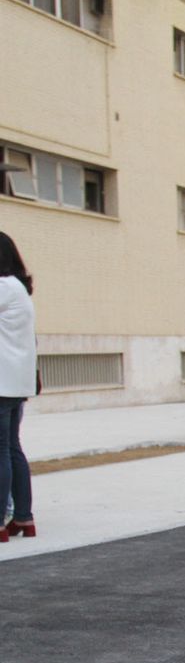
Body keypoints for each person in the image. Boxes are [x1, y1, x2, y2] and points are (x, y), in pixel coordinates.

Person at [0, 232, 38, 544]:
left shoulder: (3, 287)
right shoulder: (21, 290)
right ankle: (24, 517)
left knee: (2, 450)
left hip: (2, 382)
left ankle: (0, 520)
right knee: (12, 448)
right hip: (17, 383)